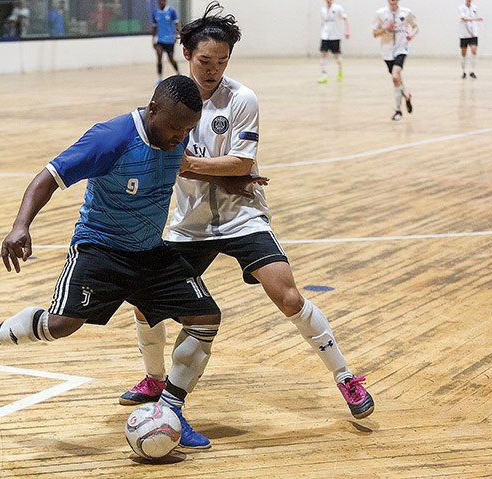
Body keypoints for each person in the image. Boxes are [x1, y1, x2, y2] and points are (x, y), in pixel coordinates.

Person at [0, 75, 246, 449]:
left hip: (151, 252)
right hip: (101, 249)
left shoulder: (175, 136)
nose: (179, 138)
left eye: (187, 130)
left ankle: (171, 410)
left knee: (205, 319)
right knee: (60, 325)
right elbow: (48, 177)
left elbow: (182, 164)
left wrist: (232, 183)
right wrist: (20, 226)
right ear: (152, 109)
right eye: (174, 128)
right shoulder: (111, 139)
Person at [119, 3, 375, 439]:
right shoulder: (167, 101)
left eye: (222, 62)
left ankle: (346, 378)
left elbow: (241, 162)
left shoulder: (242, 99)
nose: (213, 69)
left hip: (244, 217)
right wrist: (226, 171)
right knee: (146, 304)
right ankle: (155, 380)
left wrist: (215, 169)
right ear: (186, 54)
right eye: (205, 61)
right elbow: (198, 164)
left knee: (289, 296)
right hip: (189, 223)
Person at [372, 0, 418, 121]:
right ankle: (407, 96)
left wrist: (412, 35)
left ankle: (398, 110)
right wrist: (385, 29)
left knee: (395, 76)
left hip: (401, 49)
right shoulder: (380, 13)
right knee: (397, 80)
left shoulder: (406, 12)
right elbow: (374, 33)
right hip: (387, 51)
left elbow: (415, 26)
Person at [317, 0, 350, 84]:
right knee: (323, 53)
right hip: (325, 35)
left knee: (336, 57)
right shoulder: (323, 10)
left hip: (335, 36)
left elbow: (345, 18)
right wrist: (322, 32)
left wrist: (347, 31)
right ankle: (324, 75)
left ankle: (340, 69)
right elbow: (323, 23)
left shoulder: (338, 8)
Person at [152, 0, 180, 84]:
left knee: (171, 58)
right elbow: (154, 27)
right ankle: (160, 78)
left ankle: (178, 73)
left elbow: (176, 23)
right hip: (160, 40)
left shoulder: (171, 11)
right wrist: (153, 38)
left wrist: (176, 35)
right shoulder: (155, 13)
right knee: (159, 56)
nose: (161, 2)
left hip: (169, 39)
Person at [459, 0, 483, 79]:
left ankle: (472, 71)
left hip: (473, 34)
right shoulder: (461, 8)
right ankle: (463, 71)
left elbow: (476, 16)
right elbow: (464, 18)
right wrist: (475, 19)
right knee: (463, 53)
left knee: (474, 50)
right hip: (464, 35)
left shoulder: (474, 8)